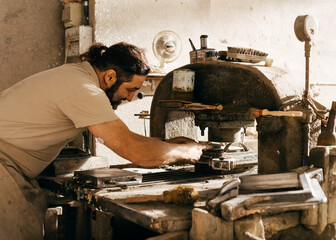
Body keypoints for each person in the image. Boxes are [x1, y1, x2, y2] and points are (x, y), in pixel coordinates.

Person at [0, 42, 210, 239]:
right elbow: (134, 150)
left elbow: (126, 138)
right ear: (110, 77)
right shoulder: (84, 89)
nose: (130, 98)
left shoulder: (75, 75)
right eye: (130, 90)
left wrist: (169, 145)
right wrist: (188, 152)